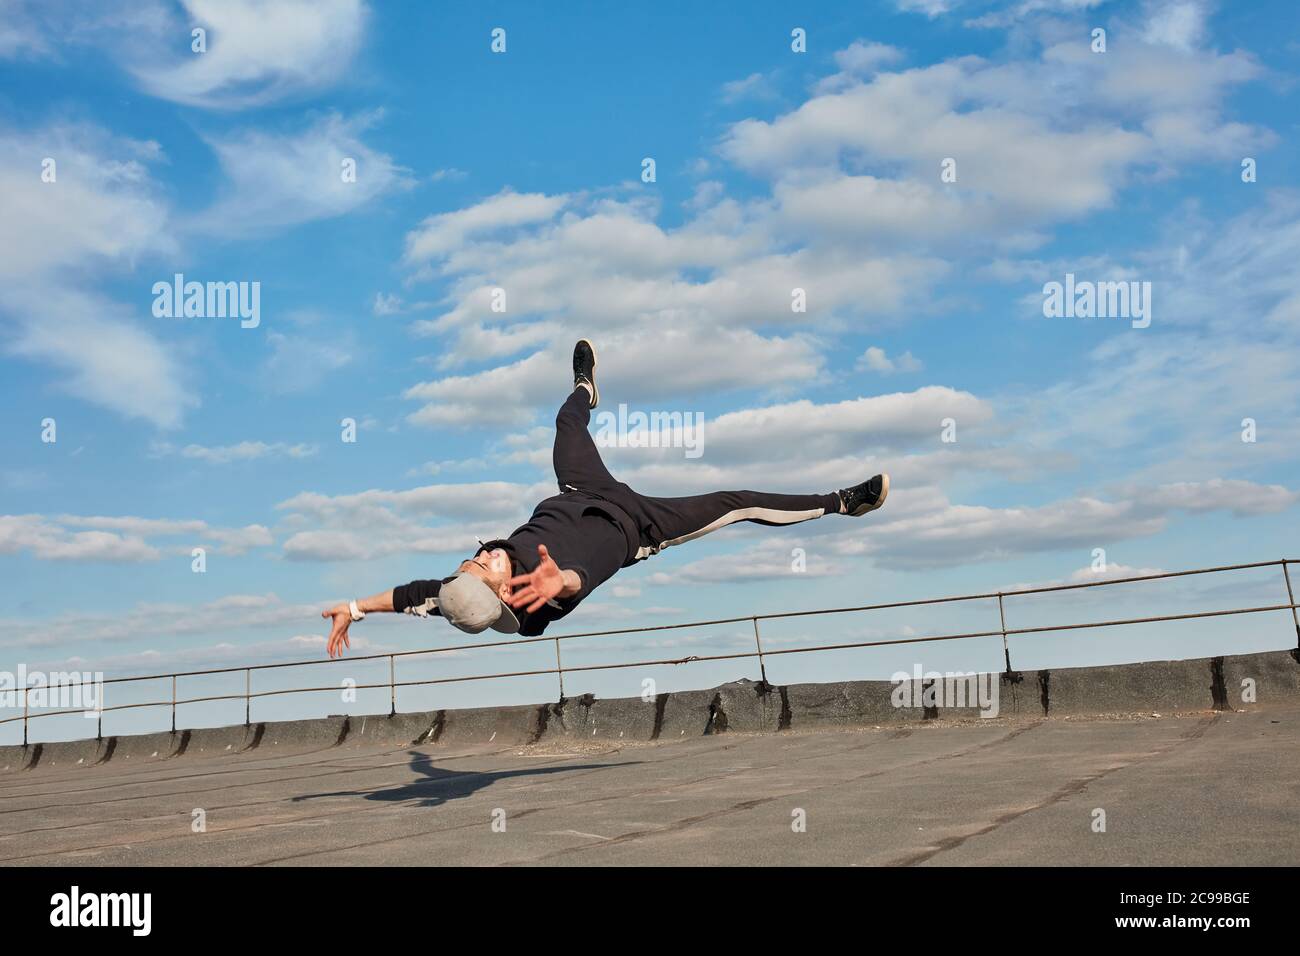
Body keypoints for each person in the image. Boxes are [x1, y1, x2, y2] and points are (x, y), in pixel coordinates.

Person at [323, 340, 888, 657]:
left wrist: (353, 608)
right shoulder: (538, 602)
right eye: (483, 566)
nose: (481, 555)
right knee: (734, 501)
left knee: (566, 425)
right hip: (641, 526)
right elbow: (575, 581)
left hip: (581, 489)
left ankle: (583, 389)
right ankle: (843, 502)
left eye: (470, 561)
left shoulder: (460, 589)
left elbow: (413, 596)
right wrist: (559, 581)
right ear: (501, 592)